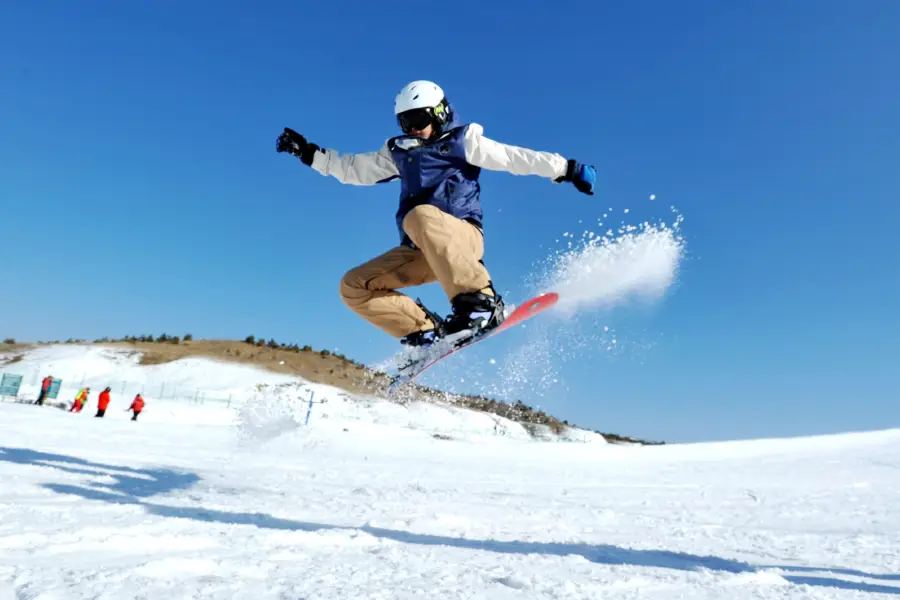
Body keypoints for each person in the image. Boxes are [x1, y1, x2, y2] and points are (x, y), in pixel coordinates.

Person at [276, 80, 596, 350]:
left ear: (440, 113)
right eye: (405, 122)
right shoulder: (400, 152)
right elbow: (353, 170)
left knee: (418, 216)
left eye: (418, 119)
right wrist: (308, 153)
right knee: (353, 285)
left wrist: (567, 169)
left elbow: (515, 158)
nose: (413, 129)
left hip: (462, 239)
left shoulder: (463, 142)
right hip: (421, 249)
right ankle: (424, 330)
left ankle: (480, 303)